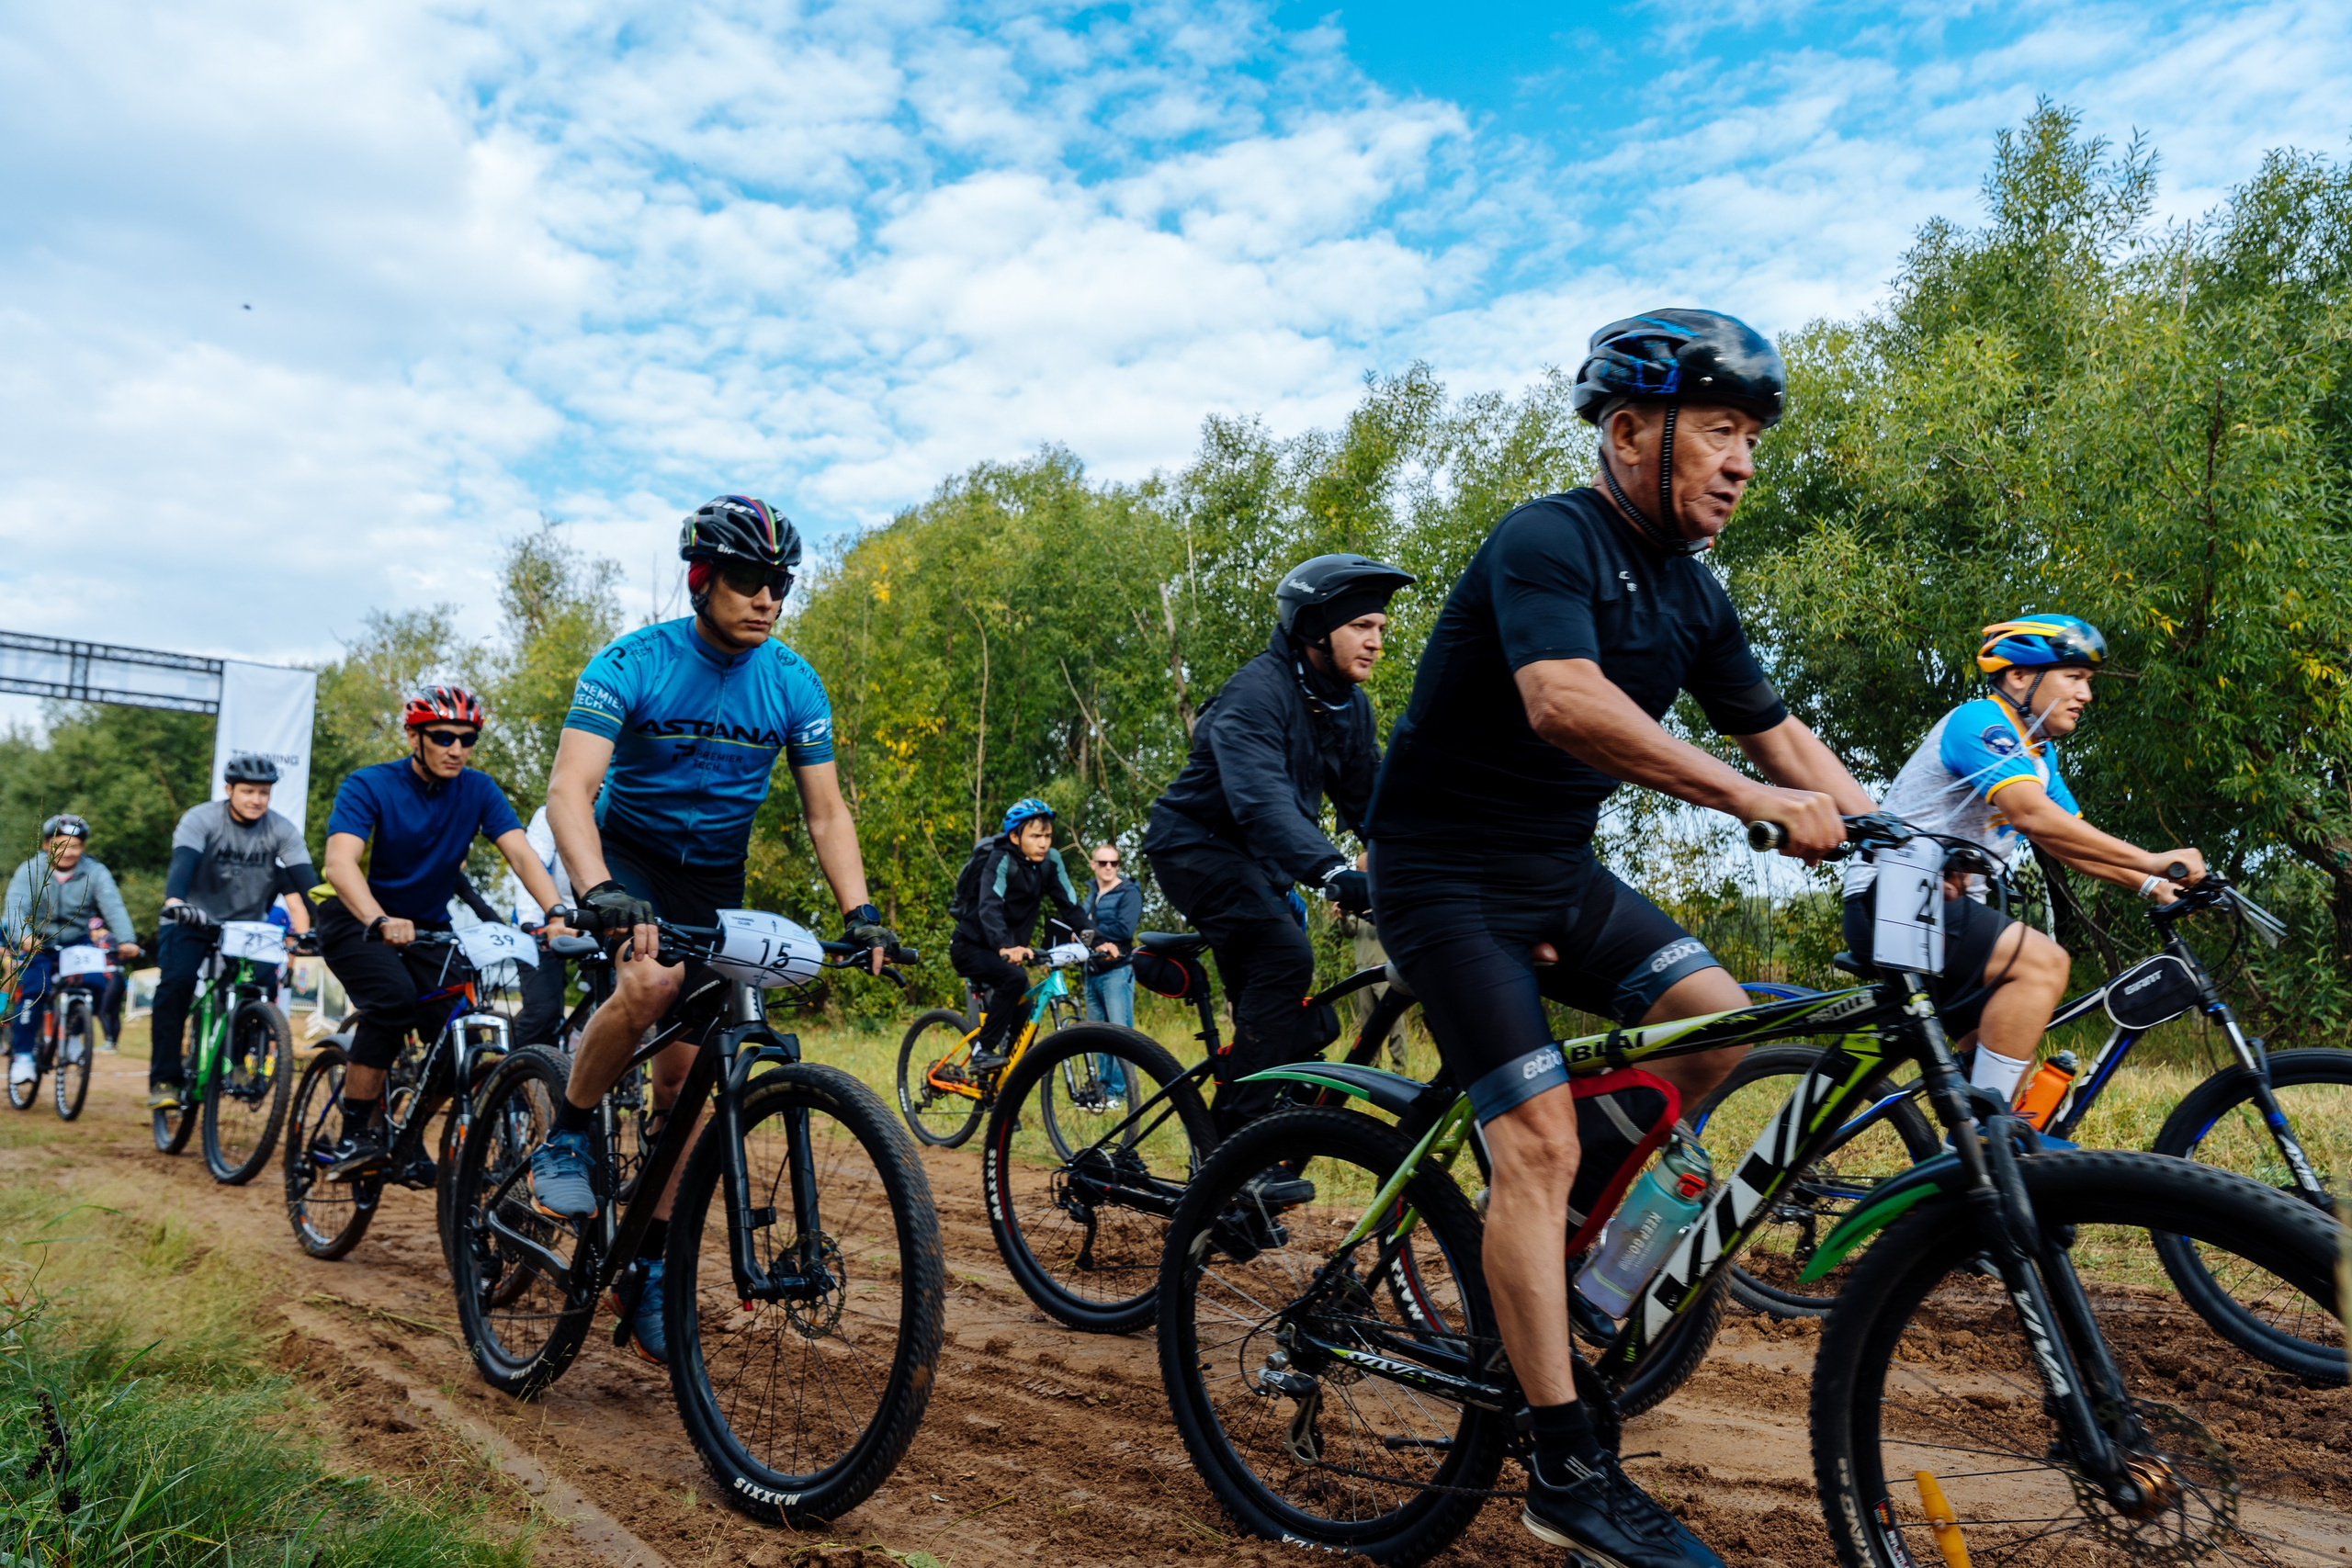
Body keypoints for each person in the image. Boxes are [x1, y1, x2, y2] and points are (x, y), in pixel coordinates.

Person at [1364, 309, 1877, 1568]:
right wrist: (1750, 800)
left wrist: (1903, 833)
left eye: (1753, 435)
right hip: (1443, 877)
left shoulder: (1694, 594)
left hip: (1554, 872)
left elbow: (1785, 732)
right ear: (1631, 429)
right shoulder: (1549, 538)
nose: (1744, 459)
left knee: (1712, 1026)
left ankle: (1543, 1237)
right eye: (1721, 428)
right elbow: (1564, 699)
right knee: (1534, 1139)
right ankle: (1565, 1463)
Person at [538, 493, 898, 1365]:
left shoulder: (793, 680)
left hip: (712, 878)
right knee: (651, 984)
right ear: (701, 578)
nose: (767, 597)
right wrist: (597, 890)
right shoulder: (633, 662)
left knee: (688, 1080)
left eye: (779, 582)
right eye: (747, 580)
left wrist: (862, 912)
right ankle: (571, 1123)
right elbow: (568, 790)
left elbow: (825, 812)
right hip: (628, 861)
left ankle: (651, 1269)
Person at [1849, 615, 2206, 1112]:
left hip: (1936, 910)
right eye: (2074, 677)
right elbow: (2030, 814)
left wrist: (2153, 884)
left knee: (2005, 1045)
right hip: (1893, 898)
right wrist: (2153, 859)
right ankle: (1987, 1133)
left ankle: (1972, 1160)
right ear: (2019, 676)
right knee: (2044, 964)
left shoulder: (2039, 757)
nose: (2087, 695)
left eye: (2089, 682)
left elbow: (2069, 841)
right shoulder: (1981, 721)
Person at [1143, 553, 1411, 1157]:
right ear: (1315, 626)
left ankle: (1251, 1144)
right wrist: (1335, 870)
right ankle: (1230, 1146)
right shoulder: (1256, 694)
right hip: (1195, 845)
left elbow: (1373, 805)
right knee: (1285, 954)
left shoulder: (1347, 704)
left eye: (1381, 629)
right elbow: (1261, 802)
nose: (1375, 642)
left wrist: (1432, 872)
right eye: (1361, 626)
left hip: (1258, 863)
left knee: (1303, 1020)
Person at [315, 686, 571, 1179]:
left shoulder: (477, 789)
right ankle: (352, 1136)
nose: (456, 748)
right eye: (443, 737)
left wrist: (555, 911)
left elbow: (520, 854)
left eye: (467, 738)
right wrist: (379, 920)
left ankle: (407, 1138)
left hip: (429, 927)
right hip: (356, 918)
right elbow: (340, 864)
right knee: (391, 1002)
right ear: (414, 735)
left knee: (459, 1037)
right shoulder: (368, 784)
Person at [152, 758, 318, 1111]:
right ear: (229, 790)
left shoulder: (282, 830)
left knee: (256, 989)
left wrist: (327, 925)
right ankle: (164, 1077)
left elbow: (306, 881)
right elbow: (182, 864)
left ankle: (240, 1064)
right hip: (192, 918)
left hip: (247, 929)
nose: (256, 799)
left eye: (264, 792)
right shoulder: (201, 819)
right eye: (248, 791)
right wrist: (175, 901)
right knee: (176, 984)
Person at [948, 800, 1086, 1073]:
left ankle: (1007, 1083)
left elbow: (1070, 905)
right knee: (1015, 978)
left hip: (1008, 952)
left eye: (1047, 836)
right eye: (1035, 836)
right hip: (971, 946)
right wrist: (1003, 946)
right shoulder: (1000, 858)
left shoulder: (1050, 862)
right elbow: (990, 905)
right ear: (1015, 836)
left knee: (1026, 1015)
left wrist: (1097, 937)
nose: (1044, 843)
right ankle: (983, 1051)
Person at [3, 816, 141, 1087]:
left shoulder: (96, 871)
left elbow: (113, 906)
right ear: (46, 845)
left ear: (83, 848)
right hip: (38, 942)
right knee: (32, 991)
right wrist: (24, 937)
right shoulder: (29, 869)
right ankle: (22, 1057)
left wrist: (127, 940)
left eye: (76, 845)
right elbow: (14, 907)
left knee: (96, 982)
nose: (68, 851)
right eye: (60, 844)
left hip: (76, 942)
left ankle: (75, 1038)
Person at [507, 804, 578, 1049]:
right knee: (543, 1012)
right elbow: (533, 864)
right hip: (543, 923)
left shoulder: (617, 811)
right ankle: (510, 1082)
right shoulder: (549, 814)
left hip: (590, 926)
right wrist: (535, 923)